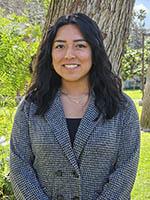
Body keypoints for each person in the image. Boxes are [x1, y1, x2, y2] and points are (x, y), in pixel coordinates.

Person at [10, 13, 140, 200]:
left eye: (80, 45)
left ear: (94, 51)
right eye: (60, 46)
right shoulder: (31, 106)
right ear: (51, 53)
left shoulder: (121, 107)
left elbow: (125, 172)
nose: (69, 55)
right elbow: (19, 167)